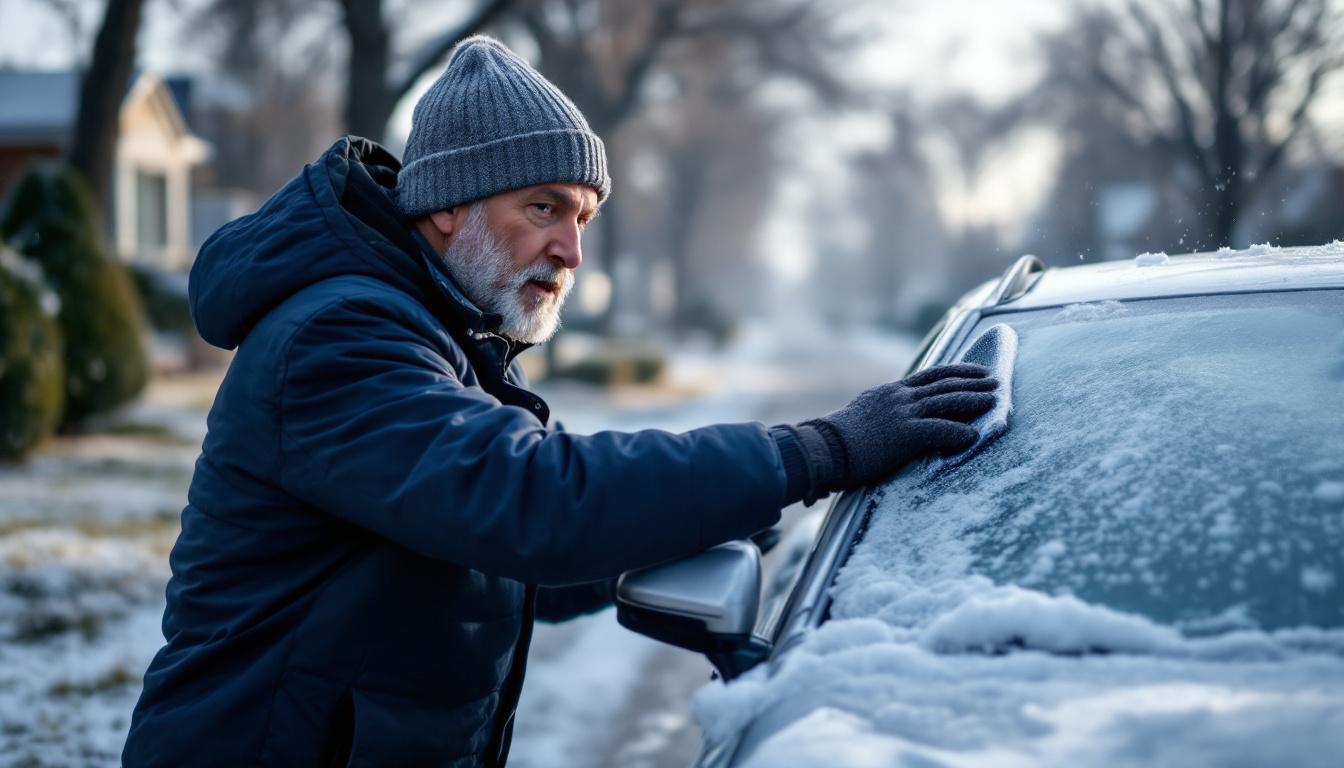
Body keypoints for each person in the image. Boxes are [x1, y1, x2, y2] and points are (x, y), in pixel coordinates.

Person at [122, 36, 996, 767]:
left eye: (582, 216)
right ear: (445, 208)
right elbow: (531, 502)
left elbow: (495, 553)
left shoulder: (450, 334)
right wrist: (814, 452)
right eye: (543, 207)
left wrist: (698, 522)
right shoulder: (341, 339)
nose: (570, 250)